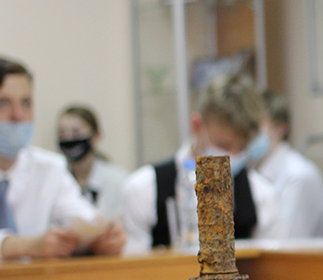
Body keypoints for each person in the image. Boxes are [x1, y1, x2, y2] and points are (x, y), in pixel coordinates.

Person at [121, 74, 283, 254]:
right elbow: (134, 265)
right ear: (197, 125)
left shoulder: (261, 195)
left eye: (242, 147)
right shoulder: (144, 189)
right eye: (224, 145)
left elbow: (268, 265)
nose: (232, 156)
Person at [0, 56, 125, 259]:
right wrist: (21, 246)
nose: (18, 115)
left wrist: (103, 236)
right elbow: (28, 247)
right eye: (2, 103)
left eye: (26, 103)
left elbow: (83, 216)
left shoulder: (49, 168)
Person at [249, 90, 323, 238]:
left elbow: (287, 242)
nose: (250, 132)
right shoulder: (255, 170)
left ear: (281, 128)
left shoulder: (297, 175)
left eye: (257, 125)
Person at [57, 104, 129, 219]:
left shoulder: (120, 181)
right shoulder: (57, 181)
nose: (69, 138)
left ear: (95, 135)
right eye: (62, 133)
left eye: (76, 132)